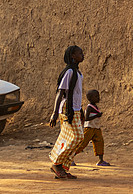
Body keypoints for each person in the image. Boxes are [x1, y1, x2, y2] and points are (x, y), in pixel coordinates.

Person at [49, 45, 85, 180]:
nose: (83, 55)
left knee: (75, 138)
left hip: (75, 109)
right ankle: (57, 163)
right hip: (67, 109)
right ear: (72, 56)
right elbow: (61, 92)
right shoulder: (69, 72)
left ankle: (63, 167)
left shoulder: (78, 73)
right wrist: (54, 113)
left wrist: (80, 109)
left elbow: (76, 94)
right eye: (80, 53)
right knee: (77, 137)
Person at [73, 89, 111, 166]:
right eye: (96, 96)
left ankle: (101, 160)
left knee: (99, 142)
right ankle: (70, 158)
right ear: (90, 98)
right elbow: (86, 118)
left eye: (98, 96)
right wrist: (97, 115)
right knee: (82, 143)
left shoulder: (95, 106)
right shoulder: (89, 107)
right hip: (89, 128)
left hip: (96, 128)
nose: (98, 98)